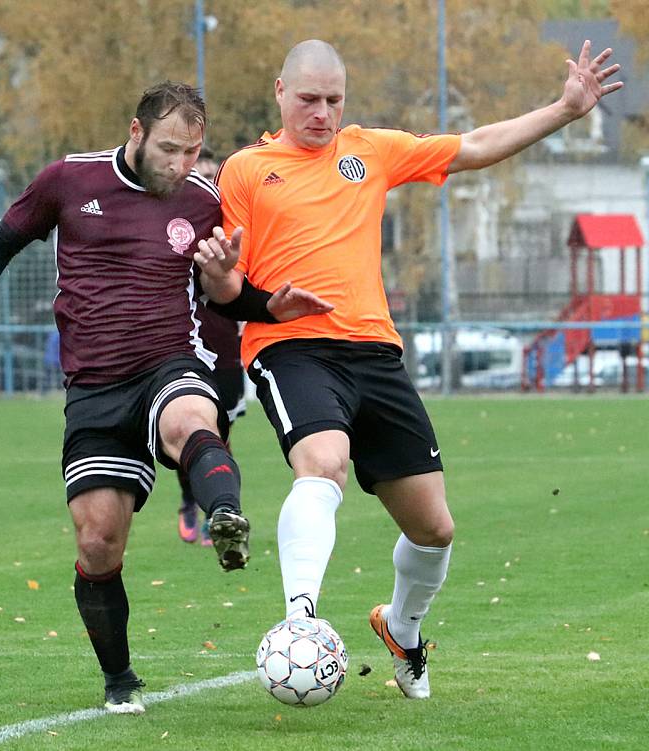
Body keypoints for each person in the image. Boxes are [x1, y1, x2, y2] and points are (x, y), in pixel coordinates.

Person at [194, 39, 622, 699]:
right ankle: (299, 619)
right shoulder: (248, 170)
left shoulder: (372, 149)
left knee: (434, 527)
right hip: (292, 347)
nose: (323, 112)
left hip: (376, 355)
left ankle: (402, 628)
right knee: (324, 461)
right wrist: (226, 279)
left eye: (334, 99)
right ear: (280, 92)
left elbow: (473, 146)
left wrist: (566, 110)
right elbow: (227, 289)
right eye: (309, 99)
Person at [0, 81, 332, 714]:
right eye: (170, 149)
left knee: (192, 418)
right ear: (137, 132)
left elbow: (226, 290)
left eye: (193, 152)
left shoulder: (203, 202)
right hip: (92, 388)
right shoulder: (69, 180)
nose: (182, 165)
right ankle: (120, 681)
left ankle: (226, 517)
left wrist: (267, 304)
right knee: (97, 542)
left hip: (168, 361)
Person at [176, 146, 246, 546]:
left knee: (222, 432)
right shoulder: (175, 227)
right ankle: (194, 503)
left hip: (224, 342)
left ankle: (220, 508)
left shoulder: (228, 228)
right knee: (192, 428)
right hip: (183, 342)